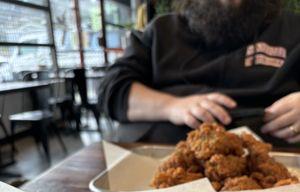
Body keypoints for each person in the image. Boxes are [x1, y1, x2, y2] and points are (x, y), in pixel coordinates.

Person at [99, 0, 300, 144]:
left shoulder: (292, 28)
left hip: (277, 161)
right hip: (160, 161)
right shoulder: (162, 31)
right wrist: (172, 107)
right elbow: (113, 91)